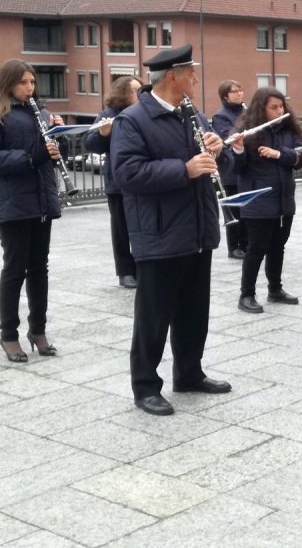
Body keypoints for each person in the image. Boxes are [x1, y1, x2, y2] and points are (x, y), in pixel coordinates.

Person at [111, 44, 232, 416]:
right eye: (191, 73)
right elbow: (127, 173)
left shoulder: (192, 113)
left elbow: (206, 158)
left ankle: (189, 373)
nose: (196, 79)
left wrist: (217, 148)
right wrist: (183, 169)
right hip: (160, 232)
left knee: (194, 311)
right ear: (173, 77)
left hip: (196, 228)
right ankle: (145, 385)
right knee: (154, 315)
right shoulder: (132, 120)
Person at [0, 59, 63, 363]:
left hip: (41, 199)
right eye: (24, 82)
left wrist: (52, 143)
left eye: (33, 82)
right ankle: (8, 334)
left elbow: (41, 153)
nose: (30, 87)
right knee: (14, 269)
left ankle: (38, 329)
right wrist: (32, 156)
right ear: (8, 82)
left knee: (40, 268)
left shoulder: (39, 113)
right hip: (12, 202)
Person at [229, 88, 302, 313]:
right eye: (274, 107)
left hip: (284, 199)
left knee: (278, 247)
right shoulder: (247, 130)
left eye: (281, 106)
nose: (280, 111)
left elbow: (301, 158)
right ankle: (247, 295)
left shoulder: (288, 129)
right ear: (261, 108)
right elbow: (237, 168)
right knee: (256, 248)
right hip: (258, 200)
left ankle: (275, 289)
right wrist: (238, 149)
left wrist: (279, 154)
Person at [85, 75, 142, 288]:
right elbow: (90, 144)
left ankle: (141, 266)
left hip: (141, 179)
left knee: (141, 225)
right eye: (136, 90)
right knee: (121, 228)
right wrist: (103, 134)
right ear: (124, 94)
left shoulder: (143, 112)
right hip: (118, 183)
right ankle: (125, 271)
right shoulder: (108, 114)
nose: (141, 93)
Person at [211, 79, 248, 260]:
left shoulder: (246, 111)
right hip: (230, 168)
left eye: (240, 90)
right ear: (225, 96)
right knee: (234, 208)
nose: (239, 94)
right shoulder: (221, 116)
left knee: (247, 208)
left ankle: (246, 243)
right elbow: (228, 137)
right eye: (234, 91)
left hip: (245, 165)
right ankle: (234, 247)